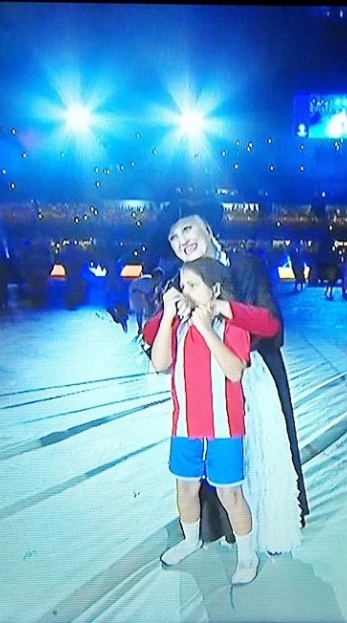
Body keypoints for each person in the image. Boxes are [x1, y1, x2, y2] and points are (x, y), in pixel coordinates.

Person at [142, 201, 309, 550]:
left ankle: (264, 531)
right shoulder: (180, 282)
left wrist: (223, 310)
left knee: (257, 455)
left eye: (188, 228)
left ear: (208, 229)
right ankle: (221, 528)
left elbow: (271, 323)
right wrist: (170, 311)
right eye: (174, 236)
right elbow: (153, 338)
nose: (182, 240)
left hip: (252, 377)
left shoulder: (243, 266)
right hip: (206, 388)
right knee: (214, 464)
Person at [149, 257, 279, 584]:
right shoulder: (176, 326)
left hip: (224, 427)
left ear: (215, 289)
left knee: (229, 493)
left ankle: (246, 555)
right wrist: (167, 318)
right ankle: (190, 539)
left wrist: (206, 329)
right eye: (182, 285)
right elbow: (159, 363)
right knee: (185, 486)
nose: (185, 292)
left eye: (193, 285)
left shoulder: (229, 324)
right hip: (185, 426)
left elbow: (234, 371)